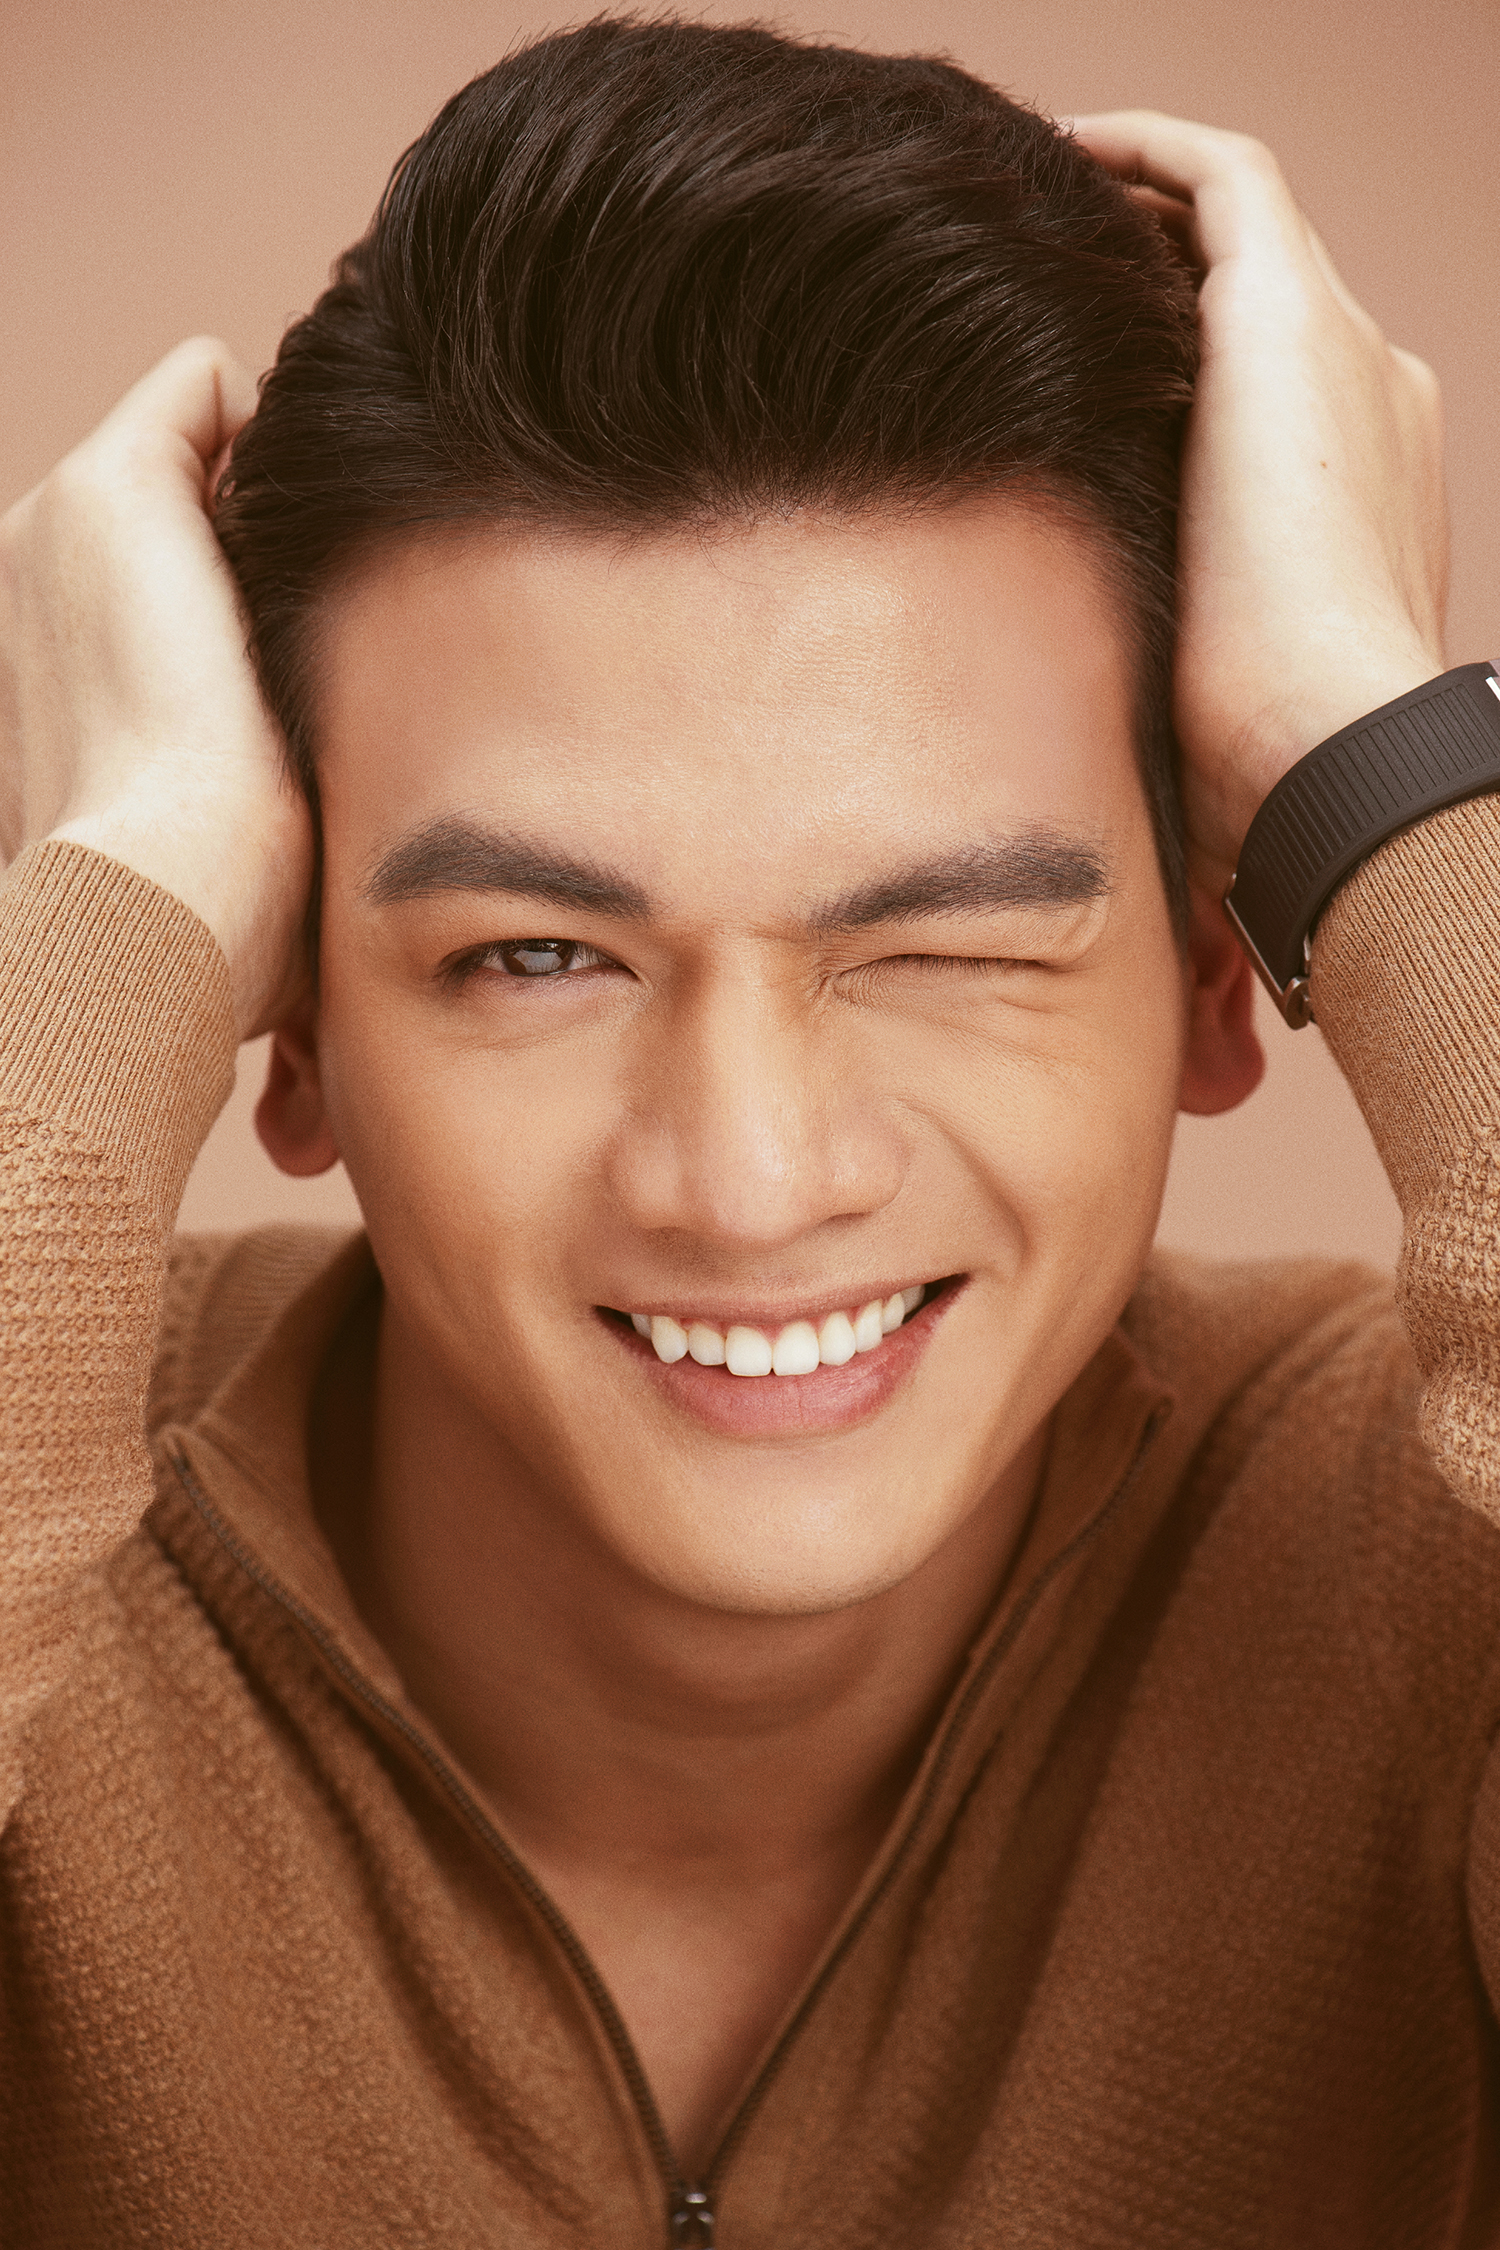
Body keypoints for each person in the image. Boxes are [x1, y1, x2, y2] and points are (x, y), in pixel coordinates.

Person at [0, 17, 1489, 2247]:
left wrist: (1370, 755)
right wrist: (117, 893)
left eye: (948, 944)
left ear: (1216, 961)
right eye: (536, 955)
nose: (749, 1177)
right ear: (284, 1012)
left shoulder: (1434, 1577)